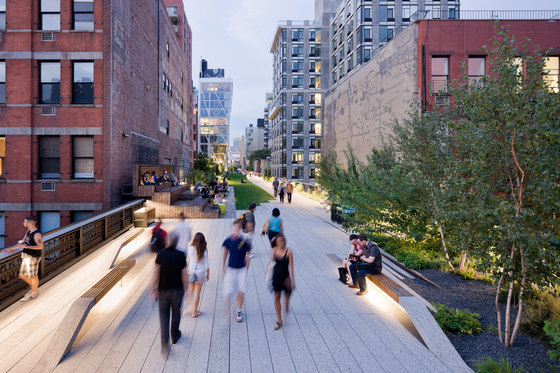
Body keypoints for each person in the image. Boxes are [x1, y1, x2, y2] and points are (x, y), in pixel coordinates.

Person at [151, 233, 187, 354]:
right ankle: (175, 336)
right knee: (176, 313)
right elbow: (185, 274)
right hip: (177, 290)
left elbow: (156, 273)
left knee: (164, 316)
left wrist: (153, 289)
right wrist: (185, 288)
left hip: (163, 291)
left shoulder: (161, 254)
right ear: (176, 243)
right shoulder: (181, 255)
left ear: (167, 241)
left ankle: (164, 343)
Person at [3, 217, 44, 302]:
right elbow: (23, 243)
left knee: (33, 276)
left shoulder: (37, 234)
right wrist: (10, 249)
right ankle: (34, 288)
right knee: (22, 275)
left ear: (29, 223)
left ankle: (34, 293)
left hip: (33, 257)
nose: (23, 223)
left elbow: (40, 246)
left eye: (24, 222)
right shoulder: (28, 231)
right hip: (26, 256)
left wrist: (26, 246)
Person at [221, 220, 252, 322]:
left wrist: (246, 268)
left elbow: (249, 254)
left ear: (241, 229)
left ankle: (239, 309)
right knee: (228, 290)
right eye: (235, 227)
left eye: (239, 227)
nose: (237, 229)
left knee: (241, 290)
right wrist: (223, 267)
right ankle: (226, 312)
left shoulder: (244, 241)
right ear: (233, 228)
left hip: (241, 269)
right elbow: (225, 252)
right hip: (231, 269)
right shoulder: (228, 240)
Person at [269, 234, 294, 330]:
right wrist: (269, 275)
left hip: (286, 277)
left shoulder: (288, 252)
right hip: (276, 278)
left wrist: (292, 280)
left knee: (286, 300)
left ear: (284, 241)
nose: (280, 243)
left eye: (282, 241)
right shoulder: (274, 251)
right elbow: (271, 263)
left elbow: (291, 266)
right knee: (276, 298)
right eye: (278, 241)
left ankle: (286, 309)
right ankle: (279, 320)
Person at [186, 232, 209, 318]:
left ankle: (183, 309)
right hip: (200, 273)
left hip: (191, 271)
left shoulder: (191, 248)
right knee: (197, 293)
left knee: (190, 292)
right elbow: (207, 265)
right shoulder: (204, 250)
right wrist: (208, 274)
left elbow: (189, 258)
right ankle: (194, 312)